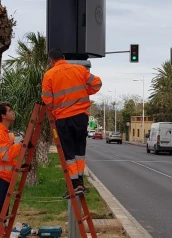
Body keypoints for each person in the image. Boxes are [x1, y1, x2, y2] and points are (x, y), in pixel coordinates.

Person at [41, 49, 102, 199]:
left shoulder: (49, 75)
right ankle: (80, 182)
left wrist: (56, 108)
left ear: (51, 60)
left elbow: (47, 99)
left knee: (68, 152)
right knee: (79, 151)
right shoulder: (79, 70)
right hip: (81, 116)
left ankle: (74, 185)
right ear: (63, 57)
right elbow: (97, 83)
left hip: (63, 118)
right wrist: (85, 91)